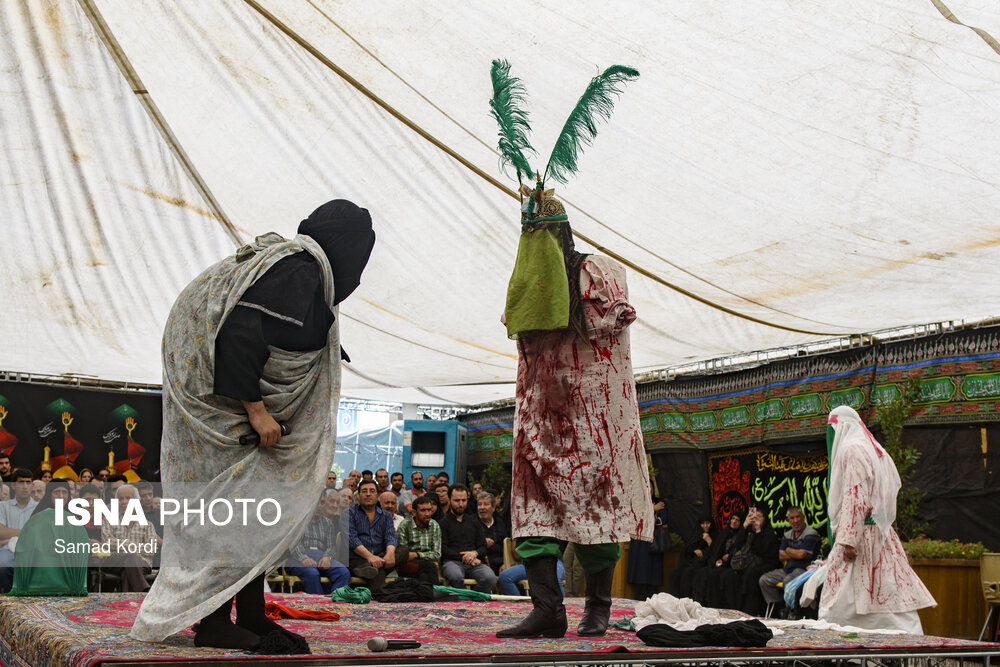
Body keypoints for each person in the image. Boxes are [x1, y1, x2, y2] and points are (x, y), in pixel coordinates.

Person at [131, 199, 375, 653]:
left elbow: (286, 332)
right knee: (232, 516)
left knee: (254, 517)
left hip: (230, 412)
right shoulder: (299, 272)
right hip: (225, 415)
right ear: (346, 248)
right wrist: (257, 410)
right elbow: (240, 335)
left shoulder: (300, 273)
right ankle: (216, 624)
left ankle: (253, 615)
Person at [497, 186, 653, 639]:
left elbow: (613, 319)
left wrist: (564, 295)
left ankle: (597, 608)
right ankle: (547, 610)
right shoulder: (525, 275)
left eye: (541, 232)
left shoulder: (596, 269)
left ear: (560, 232)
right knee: (532, 512)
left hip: (594, 419)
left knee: (596, 511)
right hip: (539, 415)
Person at [819, 406, 935, 633]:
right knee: (887, 592)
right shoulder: (874, 448)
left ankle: (841, 646)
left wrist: (848, 539)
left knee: (842, 597)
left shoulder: (851, 449)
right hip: (880, 535)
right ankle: (904, 640)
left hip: (859, 535)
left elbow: (856, 494)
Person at [9, 480, 89, 596]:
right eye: (56, 492)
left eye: (64, 492)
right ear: (49, 494)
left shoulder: (75, 517)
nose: (61, 496)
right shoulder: (38, 515)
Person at [758, 507, 821, 617]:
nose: (796, 521)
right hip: (788, 569)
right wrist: (796, 553)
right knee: (764, 580)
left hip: (804, 570)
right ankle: (780, 607)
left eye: (798, 517)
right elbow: (781, 556)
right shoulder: (787, 535)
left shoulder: (811, 533)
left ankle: (792, 611)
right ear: (788, 520)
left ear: (803, 518)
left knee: (788, 581)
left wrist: (788, 550)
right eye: (792, 518)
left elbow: (802, 555)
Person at [285, 497, 349, 595]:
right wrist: (303, 558)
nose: (318, 506)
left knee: (343, 572)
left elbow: (331, 546)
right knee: (312, 573)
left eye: (322, 502)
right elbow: (292, 543)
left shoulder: (328, 523)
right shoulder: (297, 522)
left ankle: (335, 604)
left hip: (321, 556)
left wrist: (327, 557)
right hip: (297, 558)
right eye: (314, 502)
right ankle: (318, 605)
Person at [439, 484, 496, 593]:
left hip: (475, 562)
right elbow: (443, 549)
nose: (461, 504)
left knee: (490, 578)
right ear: (449, 500)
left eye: (464, 500)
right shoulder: (443, 523)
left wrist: (474, 554)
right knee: (455, 576)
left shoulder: (474, 521)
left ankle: (472, 600)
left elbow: (483, 547)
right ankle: (462, 604)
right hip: (452, 562)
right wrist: (466, 558)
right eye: (457, 500)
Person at [347, 479, 397, 592]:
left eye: (372, 491)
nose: (368, 494)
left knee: (402, 551)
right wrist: (370, 557)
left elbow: (390, 536)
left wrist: (389, 554)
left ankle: (369, 567)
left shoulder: (386, 516)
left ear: (377, 495)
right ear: (358, 495)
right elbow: (352, 539)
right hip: (356, 558)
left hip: (381, 556)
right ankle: (376, 597)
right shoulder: (349, 513)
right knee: (376, 570)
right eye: (364, 491)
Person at [736, 506, 781, 616]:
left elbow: (761, 551)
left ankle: (751, 610)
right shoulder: (751, 533)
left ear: (765, 519)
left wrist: (759, 531)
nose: (756, 520)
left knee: (751, 574)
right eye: (753, 517)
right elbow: (738, 544)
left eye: (759, 517)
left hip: (768, 564)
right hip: (752, 564)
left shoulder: (769, 534)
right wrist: (745, 526)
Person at [627, 486, 669, 601]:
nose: (649, 489)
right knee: (640, 572)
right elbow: (636, 517)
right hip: (639, 542)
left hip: (654, 543)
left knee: (653, 574)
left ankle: (653, 601)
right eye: (646, 486)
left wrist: (652, 511)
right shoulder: (636, 501)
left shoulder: (659, 502)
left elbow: (661, 519)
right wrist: (652, 509)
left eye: (651, 487)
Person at [0, 469, 38, 592]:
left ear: (32, 485)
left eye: (28, 482)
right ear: (13, 485)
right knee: (3, 565)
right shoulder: (3, 506)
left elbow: (39, 534)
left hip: (33, 550)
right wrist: (27, 531)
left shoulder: (39, 507)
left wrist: (10, 535)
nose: (25, 487)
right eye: (21, 482)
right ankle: (9, 598)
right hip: (7, 550)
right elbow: (1, 532)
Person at [394, 495, 442, 585]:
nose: (427, 514)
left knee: (425, 574)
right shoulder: (405, 525)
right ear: (414, 512)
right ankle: (435, 595)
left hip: (426, 563)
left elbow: (437, 554)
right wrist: (427, 558)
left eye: (429, 510)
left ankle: (426, 596)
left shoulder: (434, 525)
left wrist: (417, 554)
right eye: (423, 510)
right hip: (407, 565)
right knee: (430, 566)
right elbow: (404, 555)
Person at [667, 515, 716, 599]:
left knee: (688, 573)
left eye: (708, 523)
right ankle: (673, 600)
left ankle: (686, 600)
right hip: (691, 562)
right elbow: (687, 550)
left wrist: (709, 542)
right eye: (702, 524)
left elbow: (716, 552)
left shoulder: (715, 535)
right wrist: (694, 551)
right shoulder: (696, 534)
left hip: (705, 564)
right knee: (675, 573)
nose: (705, 526)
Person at [499, 537, 567, 596]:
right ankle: (518, 607)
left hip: (553, 560)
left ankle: (559, 607)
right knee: (505, 576)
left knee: (554, 578)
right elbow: (517, 555)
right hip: (531, 561)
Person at [477, 491, 507, 574]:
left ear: (493, 508)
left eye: (486, 504)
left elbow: (505, 548)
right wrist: (483, 542)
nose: (482, 507)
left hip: (499, 562)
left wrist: (506, 563)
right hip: (479, 563)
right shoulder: (472, 523)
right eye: (479, 504)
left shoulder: (500, 524)